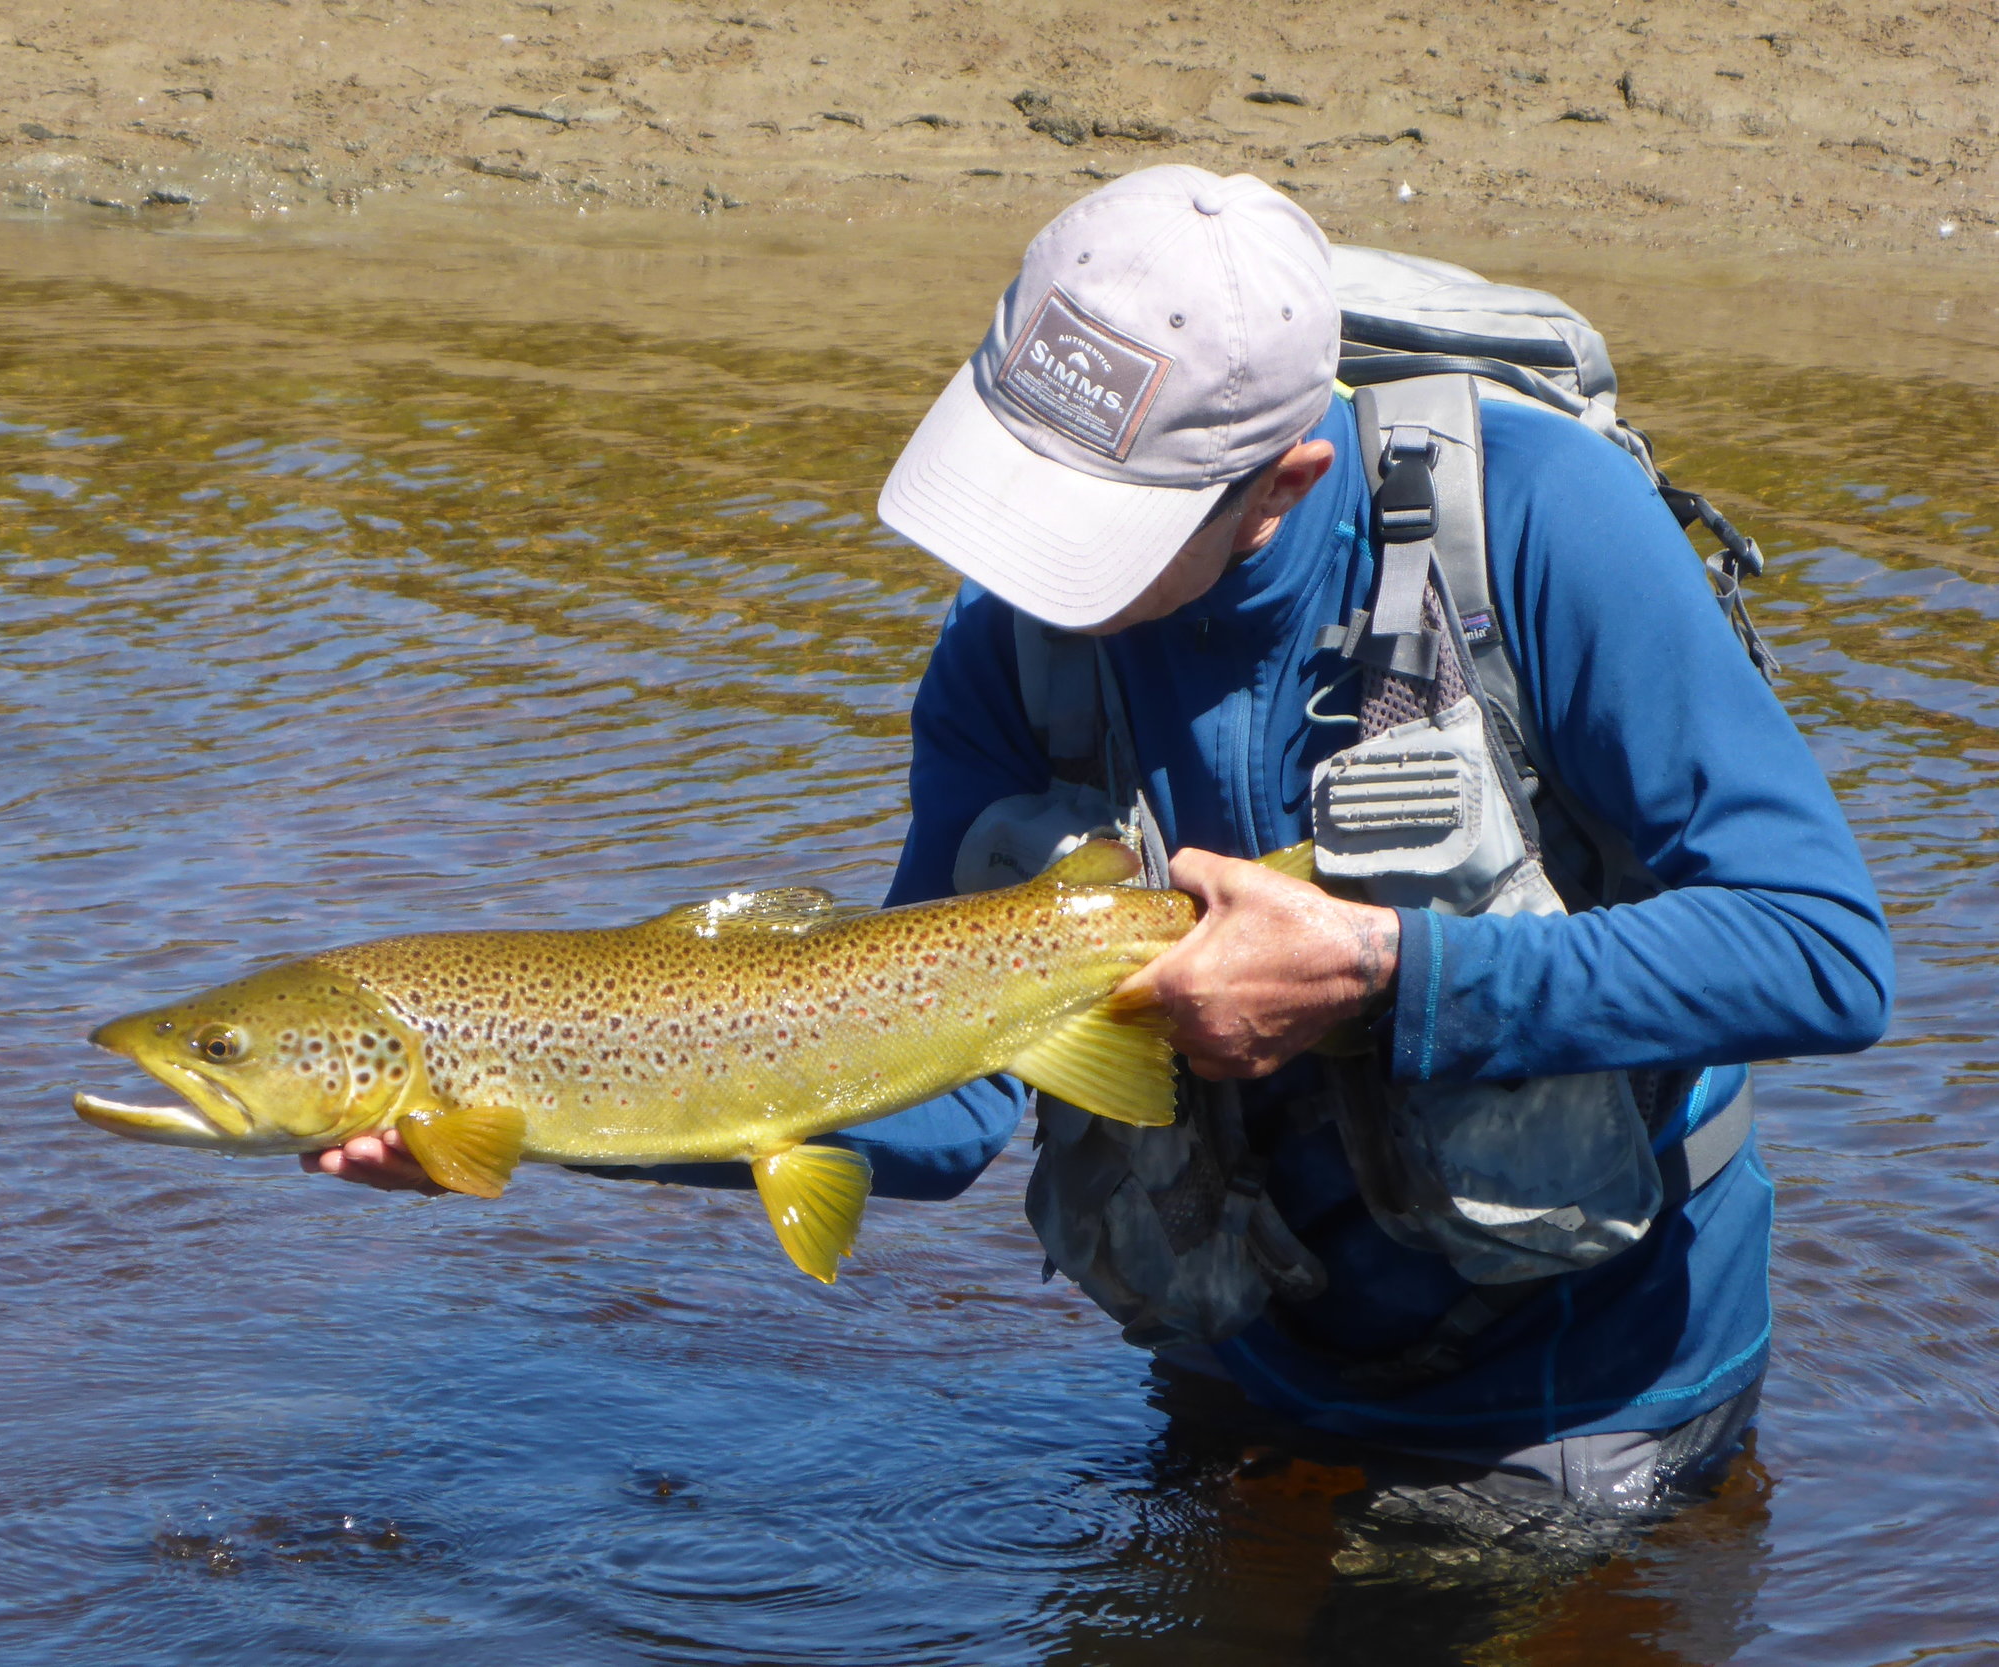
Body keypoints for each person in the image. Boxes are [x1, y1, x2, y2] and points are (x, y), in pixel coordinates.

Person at [308, 166, 1892, 1529]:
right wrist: (538, 1118)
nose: (1030, 581)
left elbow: (1824, 954)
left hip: (1588, 1389)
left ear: (1287, 477)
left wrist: (1381, 975)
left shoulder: (1544, 529)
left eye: (1086, 531)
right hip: (1234, 1371)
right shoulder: (1008, 658)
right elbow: (938, 1119)